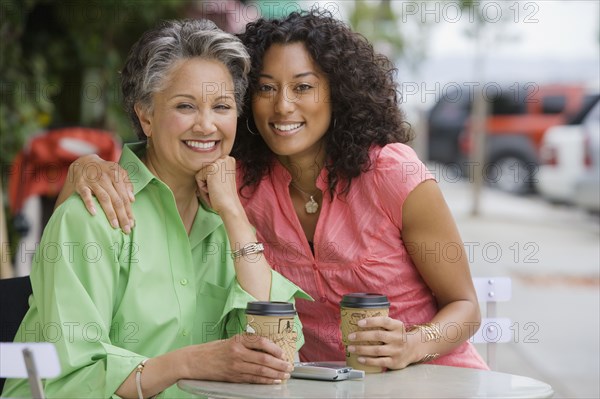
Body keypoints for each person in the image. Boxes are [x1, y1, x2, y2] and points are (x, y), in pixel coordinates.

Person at [56, 10, 488, 370]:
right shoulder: (236, 182)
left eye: (303, 87)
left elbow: (466, 306)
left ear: (337, 94)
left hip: (433, 377)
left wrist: (411, 345)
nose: (283, 105)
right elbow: (83, 221)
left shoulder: (391, 174)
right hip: (318, 387)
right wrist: (85, 166)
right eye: (266, 88)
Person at [2, 19, 309, 399]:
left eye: (222, 107)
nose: (207, 124)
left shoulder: (227, 221)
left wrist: (233, 213)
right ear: (146, 116)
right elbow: (68, 380)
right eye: (185, 106)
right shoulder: (94, 216)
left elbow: (280, 349)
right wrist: (187, 364)